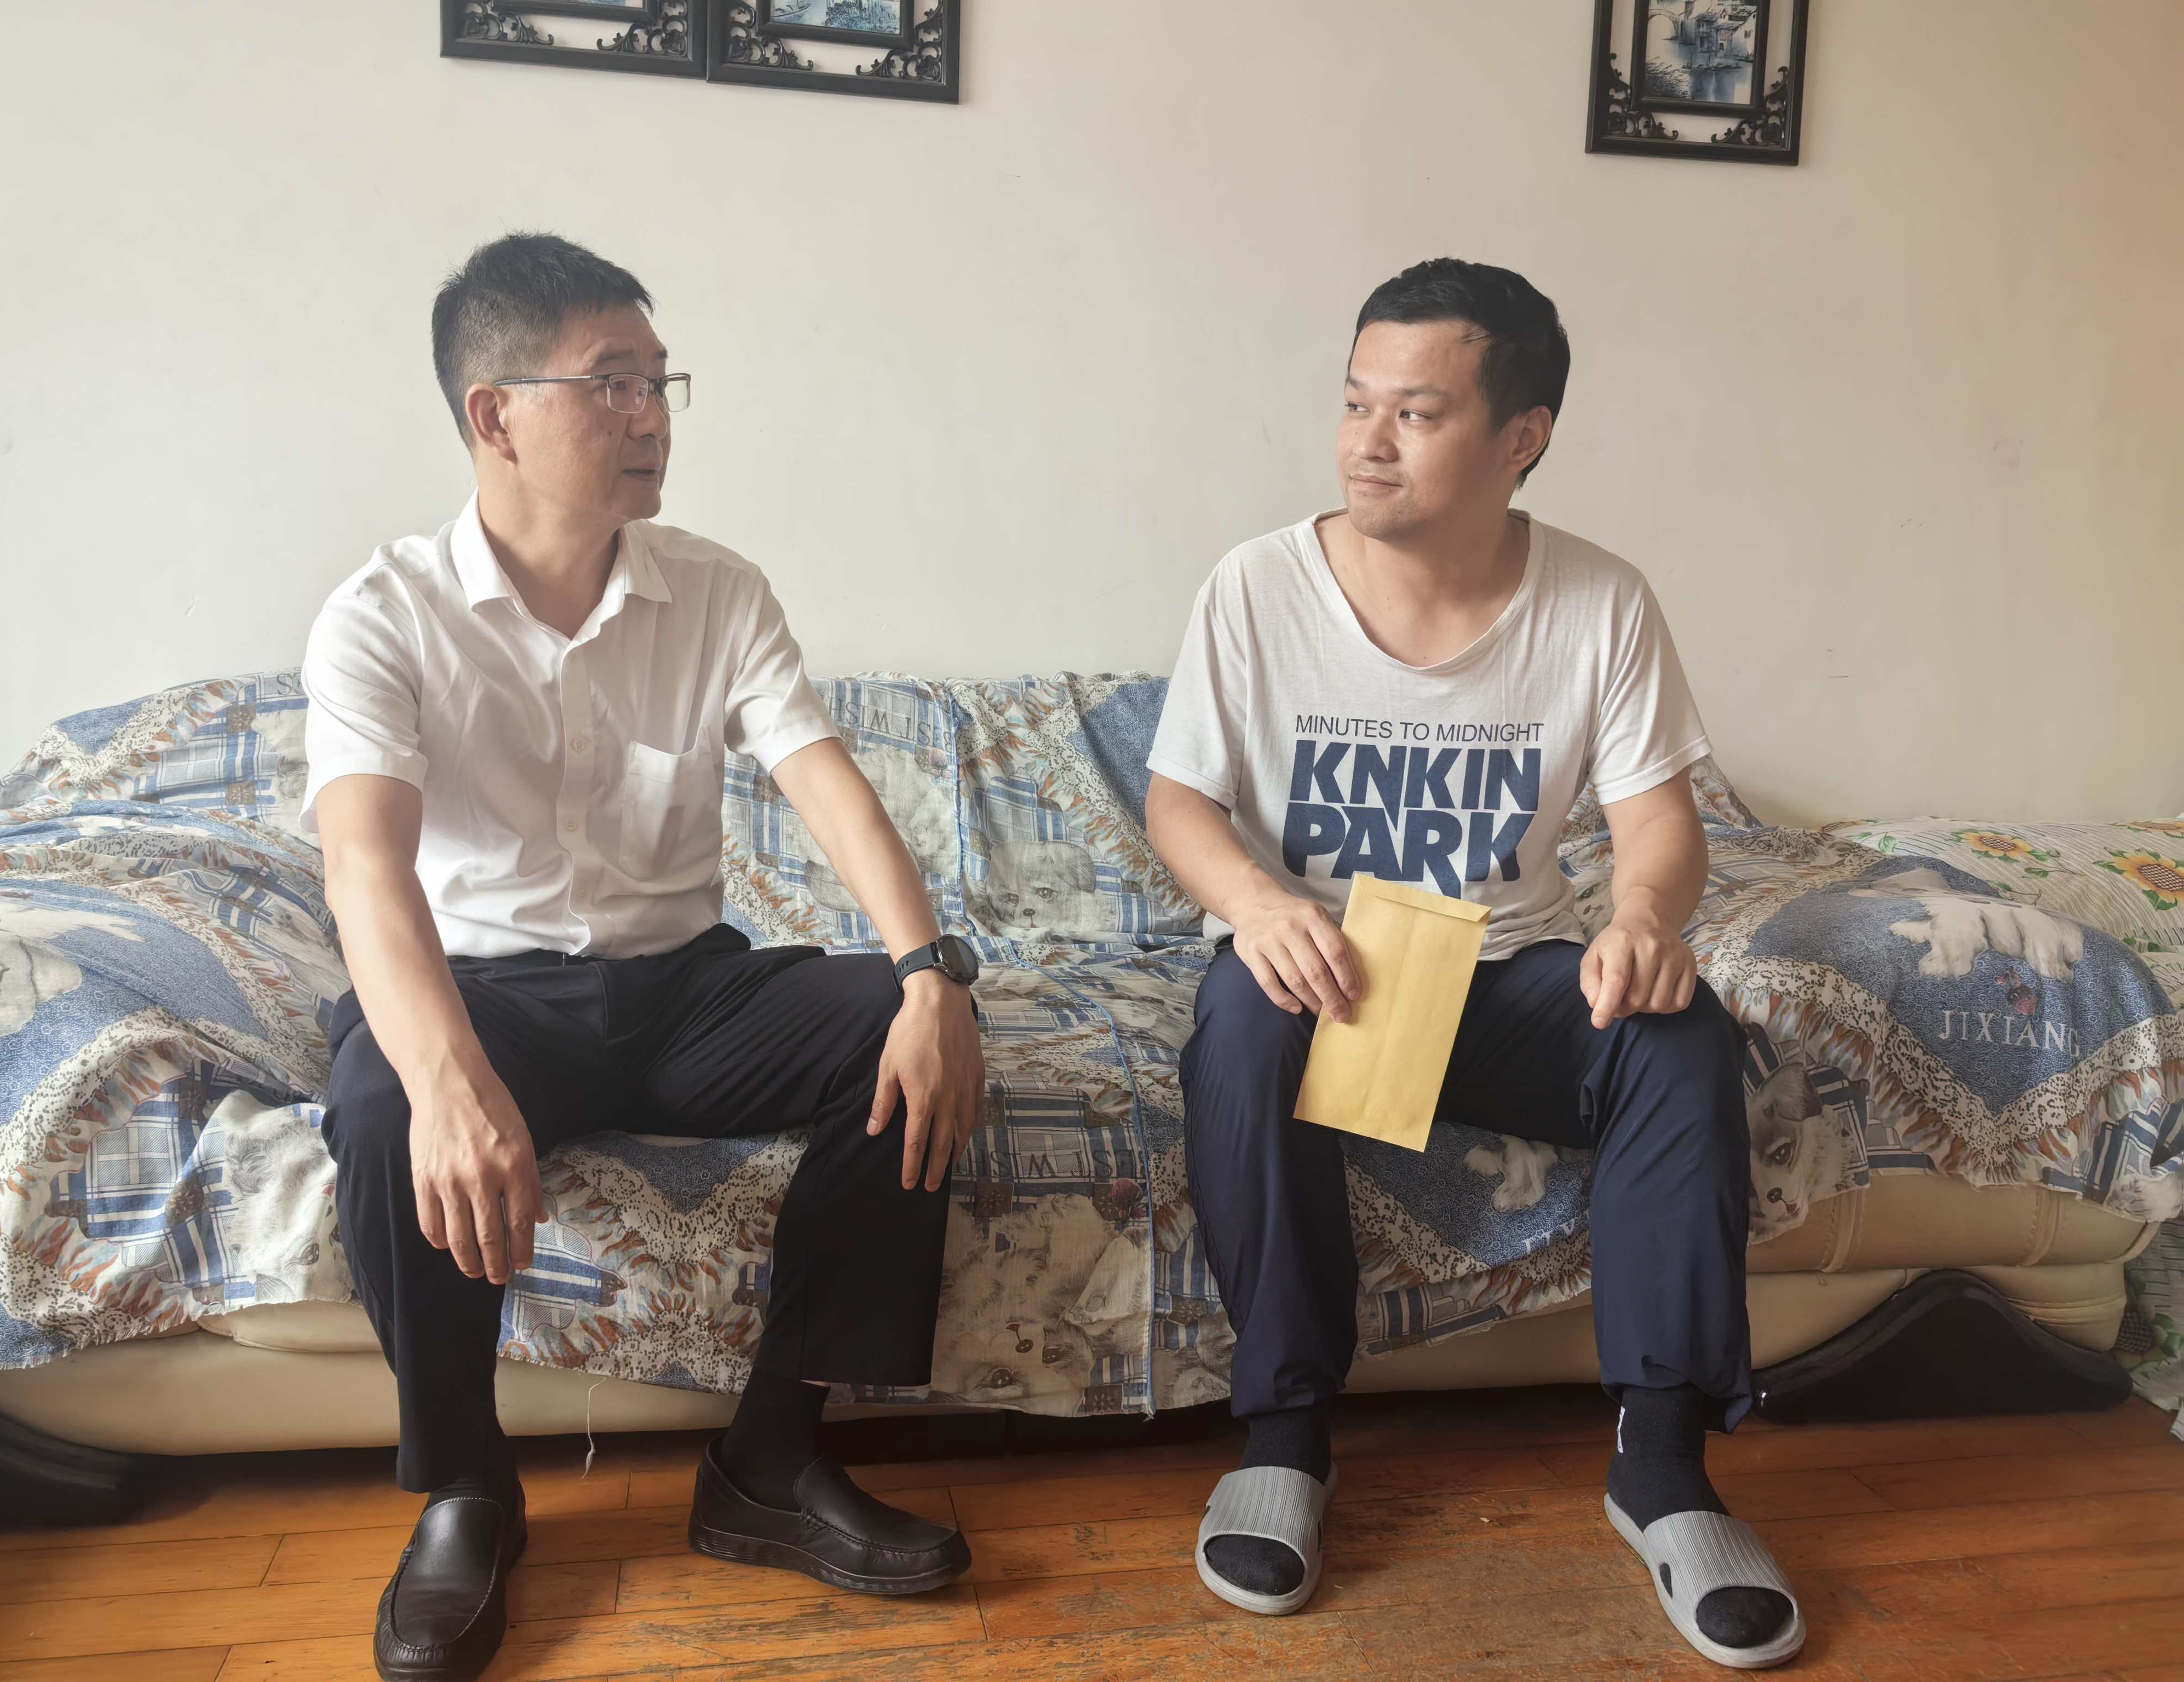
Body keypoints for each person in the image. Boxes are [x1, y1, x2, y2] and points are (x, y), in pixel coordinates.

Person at [304, 233, 985, 1682]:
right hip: (489, 996)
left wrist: (930, 973)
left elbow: (827, 786)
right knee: (378, 1100)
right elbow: (365, 867)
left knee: (899, 1034)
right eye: (610, 382)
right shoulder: (382, 616)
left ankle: (769, 1459)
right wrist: (448, 1081)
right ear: (494, 414)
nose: (651, 416)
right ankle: (466, 1490)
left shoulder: (717, 591)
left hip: (681, 988)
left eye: (659, 382)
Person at [1144, 258, 1804, 1668]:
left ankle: (1663, 1469)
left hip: (1506, 976)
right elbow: (1178, 803)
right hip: (1324, 977)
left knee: (1679, 1035)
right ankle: (1283, 1441)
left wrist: (1643, 921)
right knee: (1240, 1021)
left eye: (1415, 412)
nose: (1365, 442)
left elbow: (1657, 825)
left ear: (1521, 436)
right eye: (1353, 404)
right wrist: (1257, 905)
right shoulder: (1257, 587)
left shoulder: (1599, 601)